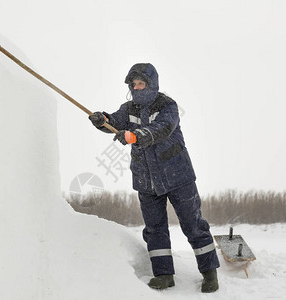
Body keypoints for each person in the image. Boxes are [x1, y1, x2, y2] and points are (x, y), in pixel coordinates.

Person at [89, 63, 220, 292]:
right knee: (154, 230)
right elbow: (115, 122)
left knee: (194, 225)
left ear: (152, 83)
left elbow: (161, 129)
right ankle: (164, 275)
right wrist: (102, 119)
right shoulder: (129, 108)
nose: (137, 88)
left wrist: (134, 135)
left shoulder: (167, 106)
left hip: (178, 176)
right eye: (134, 84)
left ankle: (210, 274)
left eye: (141, 83)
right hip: (146, 181)